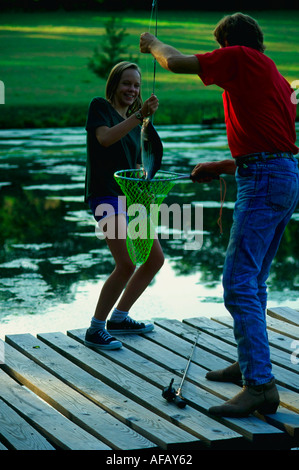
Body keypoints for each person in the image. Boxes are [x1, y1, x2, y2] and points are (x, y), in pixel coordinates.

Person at [140, 13, 299, 417]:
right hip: (278, 176)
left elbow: (174, 62)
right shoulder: (274, 76)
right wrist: (222, 166)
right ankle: (251, 364)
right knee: (255, 281)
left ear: (229, 43)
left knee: (237, 282)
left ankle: (260, 386)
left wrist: (152, 42)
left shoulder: (241, 57)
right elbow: (274, 144)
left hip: (264, 179)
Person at [84, 61, 164, 350]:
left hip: (132, 200)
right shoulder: (100, 107)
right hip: (105, 196)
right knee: (126, 263)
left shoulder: (137, 124)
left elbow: (136, 165)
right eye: (127, 83)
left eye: (137, 85)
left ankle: (119, 317)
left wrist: (147, 177)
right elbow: (104, 139)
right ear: (115, 84)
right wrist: (139, 116)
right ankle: (95, 328)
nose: (133, 89)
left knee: (154, 259)